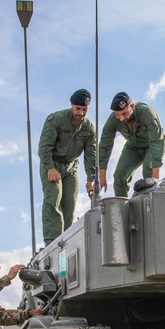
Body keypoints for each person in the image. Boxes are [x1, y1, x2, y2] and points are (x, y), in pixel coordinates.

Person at [39, 88, 100, 245]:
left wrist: (90, 179)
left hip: (71, 166)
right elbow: (44, 147)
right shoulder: (56, 119)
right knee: (53, 197)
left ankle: (65, 239)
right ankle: (52, 240)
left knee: (70, 202)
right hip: (52, 162)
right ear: (72, 105)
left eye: (84, 109)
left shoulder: (89, 128)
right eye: (78, 108)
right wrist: (51, 168)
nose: (80, 113)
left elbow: (91, 155)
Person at [98, 91, 165, 197]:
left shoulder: (146, 112)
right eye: (117, 115)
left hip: (152, 145)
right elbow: (104, 145)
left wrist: (155, 180)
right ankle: (122, 211)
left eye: (124, 113)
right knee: (119, 176)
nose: (121, 118)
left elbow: (157, 141)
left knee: (148, 172)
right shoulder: (113, 120)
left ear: (132, 106)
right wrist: (102, 177)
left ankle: (150, 206)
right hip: (133, 147)